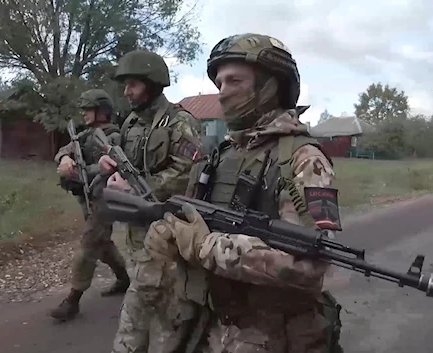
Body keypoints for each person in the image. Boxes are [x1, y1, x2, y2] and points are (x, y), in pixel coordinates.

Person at [143, 33, 344, 353]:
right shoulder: (223, 154)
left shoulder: (302, 160)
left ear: (270, 87)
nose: (221, 93)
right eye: (219, 83)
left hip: (273, 335)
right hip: (210, 322)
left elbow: (310, 264)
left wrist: (207, 246)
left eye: (234, 81)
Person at [97, 50, 204, 353]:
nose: (127, 92)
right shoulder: (131, 123)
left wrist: (145, 191)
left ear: (154, 84)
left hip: (168, 234)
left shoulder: (179, 121)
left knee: (167, 315)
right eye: (126, 85)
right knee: (141, 302)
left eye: (133, 85)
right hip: (134, 232)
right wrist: (109, 166)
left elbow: (189, 170)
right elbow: (124, 160)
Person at [50, 89, 130, 321]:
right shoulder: (84, 135)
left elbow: (114, 166)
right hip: (87, 197)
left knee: (88, 245)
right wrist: (65, 159)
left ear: (102, 111)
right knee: (102, 243)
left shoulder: (113, 136)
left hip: (105, 198)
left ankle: (73, 301)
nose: (84, 113)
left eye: (88, 108)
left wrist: (82, 170)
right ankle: (124, 279)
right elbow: (67, 149)